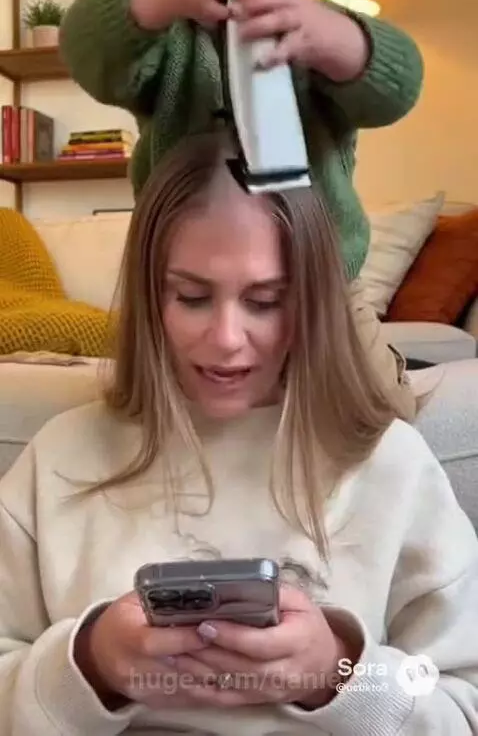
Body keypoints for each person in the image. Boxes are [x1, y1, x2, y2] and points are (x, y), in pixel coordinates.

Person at [0, 128, 476, 736]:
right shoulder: (61, 456)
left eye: (266, 300)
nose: (226, 339)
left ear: (312, 302)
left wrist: (336, 673)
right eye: (192, 297)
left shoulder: (391, 465)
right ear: (152, 298)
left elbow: (460, 704)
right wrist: (92, 663)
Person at [59, 0, 424, 423]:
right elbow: (86, 47)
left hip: (322, 286)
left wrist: (331, 38)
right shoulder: (162, 44)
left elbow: (399, 87)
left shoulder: (320, 38)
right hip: (186, 287)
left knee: (377, 415)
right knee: (140, 414)